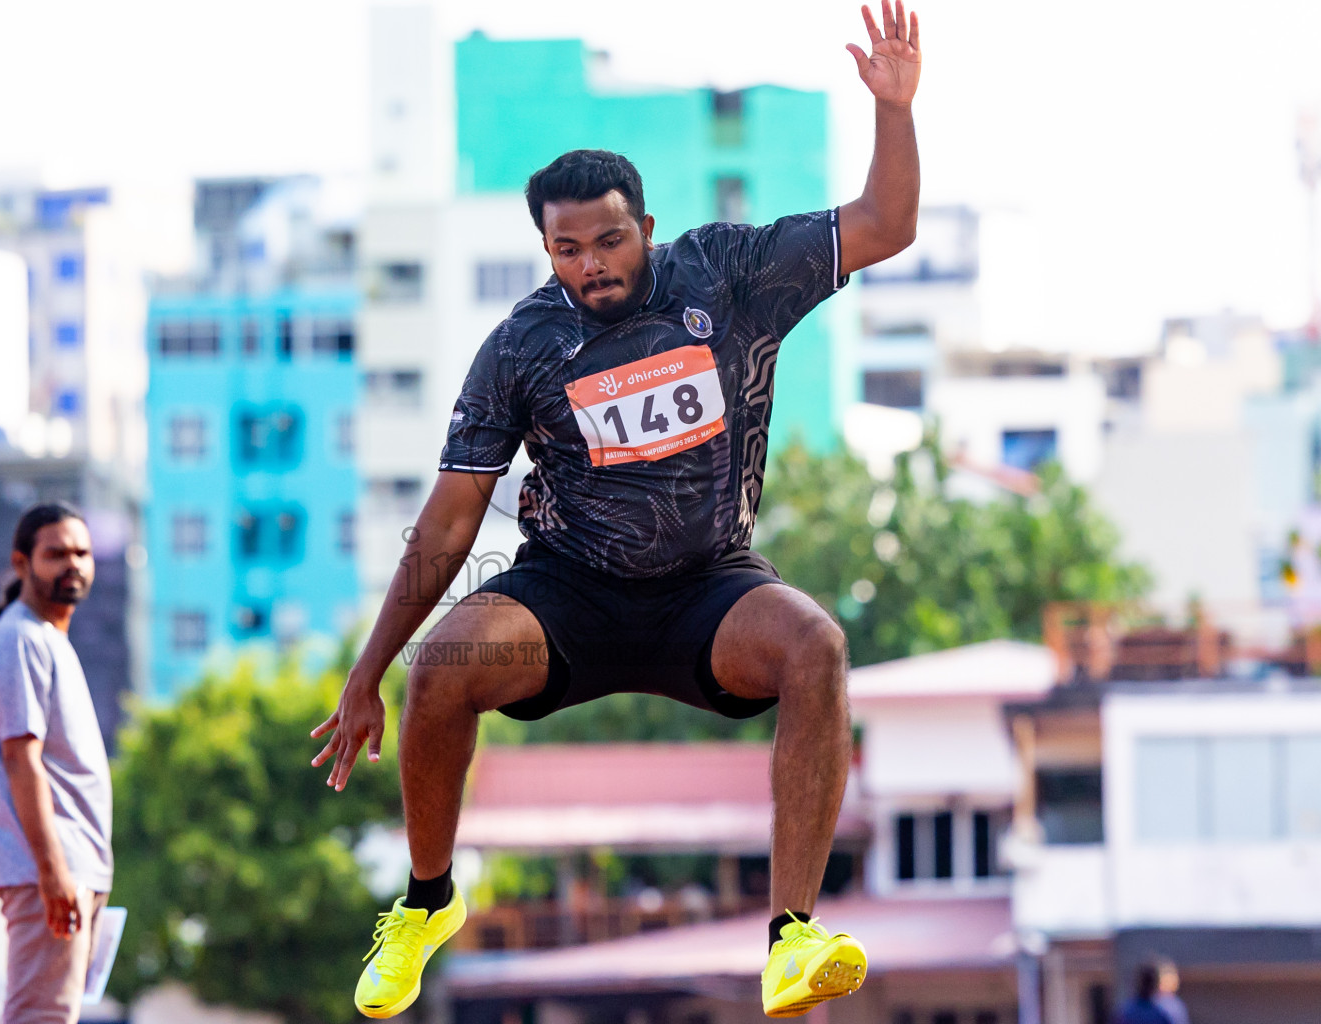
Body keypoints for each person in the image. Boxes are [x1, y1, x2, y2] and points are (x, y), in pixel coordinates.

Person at [313, 2, 921, 1017]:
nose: (591, 264)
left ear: (646, 226)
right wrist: (367, 670)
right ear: (545, 248)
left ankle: (792, 937)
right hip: (569, 592)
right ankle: (426, 904)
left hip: (708, 588)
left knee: (815, 644)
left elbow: (885, 225)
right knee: (442, 668)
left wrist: (893, 111)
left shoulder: (726, 273)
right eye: (567, 249)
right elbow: (450, 521)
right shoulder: (523, 345)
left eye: (608, 240)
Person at [0, 503, 113, 1024]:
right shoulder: (20, 640)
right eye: (56, 554)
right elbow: (20, 759)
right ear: (21, 563)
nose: (72, 564)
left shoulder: (48, 638)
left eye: (82, 553)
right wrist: (53, 874)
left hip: (73, 869)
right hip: (51, 872)